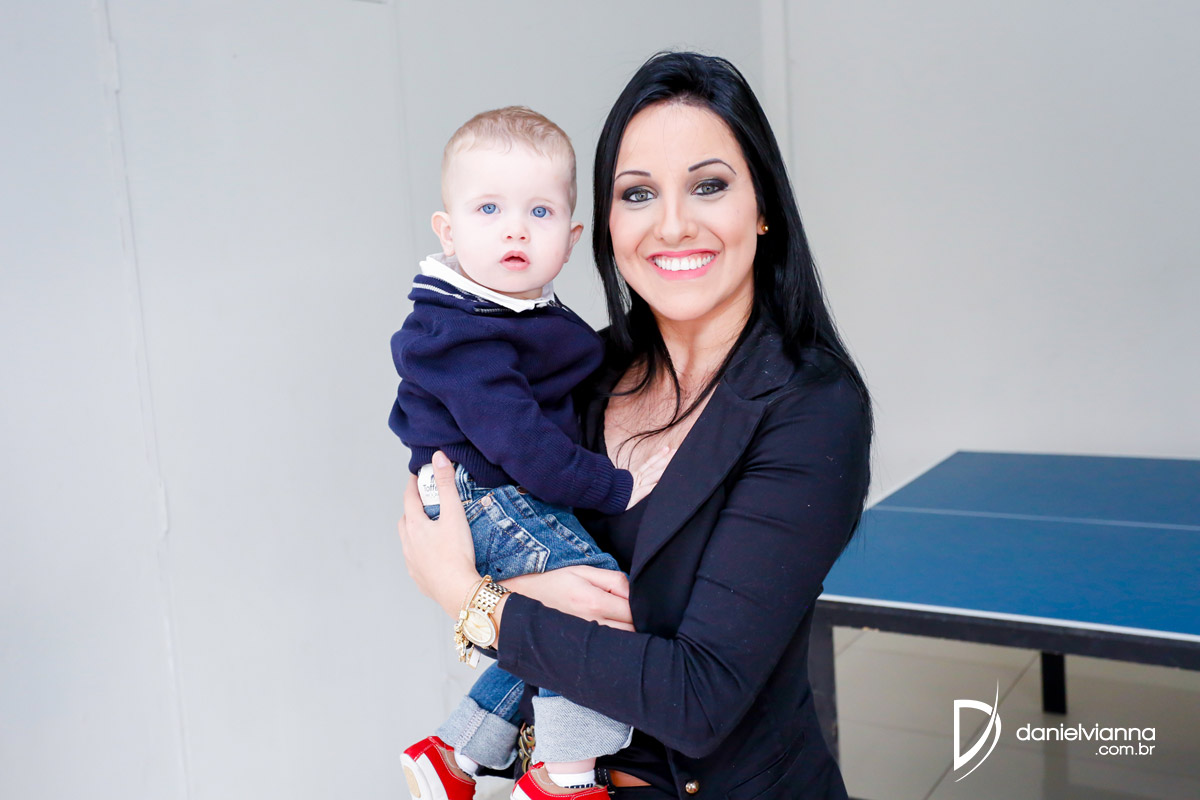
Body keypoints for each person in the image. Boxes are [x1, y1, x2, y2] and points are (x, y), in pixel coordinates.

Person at [399, 52, 872, 799]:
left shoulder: (812, 408)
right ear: (608, 225)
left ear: (763, 208)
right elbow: (481, 520)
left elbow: (698, 696)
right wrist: (499, 589)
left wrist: (473, 601)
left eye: (709, 185)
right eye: (638, 193)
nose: (673, 225)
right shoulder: (584, 370)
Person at [388, 107, 672, 800]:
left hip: (495, 491)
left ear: (571, 238)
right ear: (448, 231)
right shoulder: (462, 332)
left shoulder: (515, 311)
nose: (515, 228)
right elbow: (527, 447)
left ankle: (454, 754)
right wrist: (616, 487)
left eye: (539, 211)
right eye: (489, 208)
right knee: (595, 606)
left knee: (540, 627)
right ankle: (564, 778)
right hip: (486, 494)